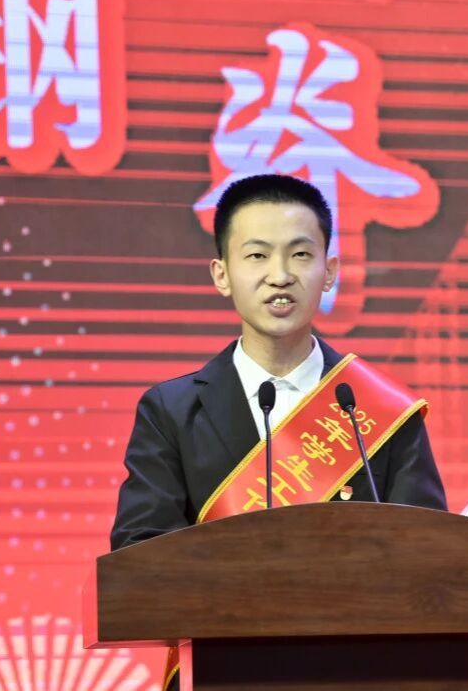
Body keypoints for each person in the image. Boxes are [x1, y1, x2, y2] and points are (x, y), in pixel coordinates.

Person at [108, 174, 447, 688]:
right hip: (223, 674)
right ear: (222, 274)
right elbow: (140, 555)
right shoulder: (171, 411)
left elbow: (432, 554)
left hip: (361, 674)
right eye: (257, 256)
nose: (280, 275)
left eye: (301, 255)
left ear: (329, 272)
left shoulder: (380, 410)